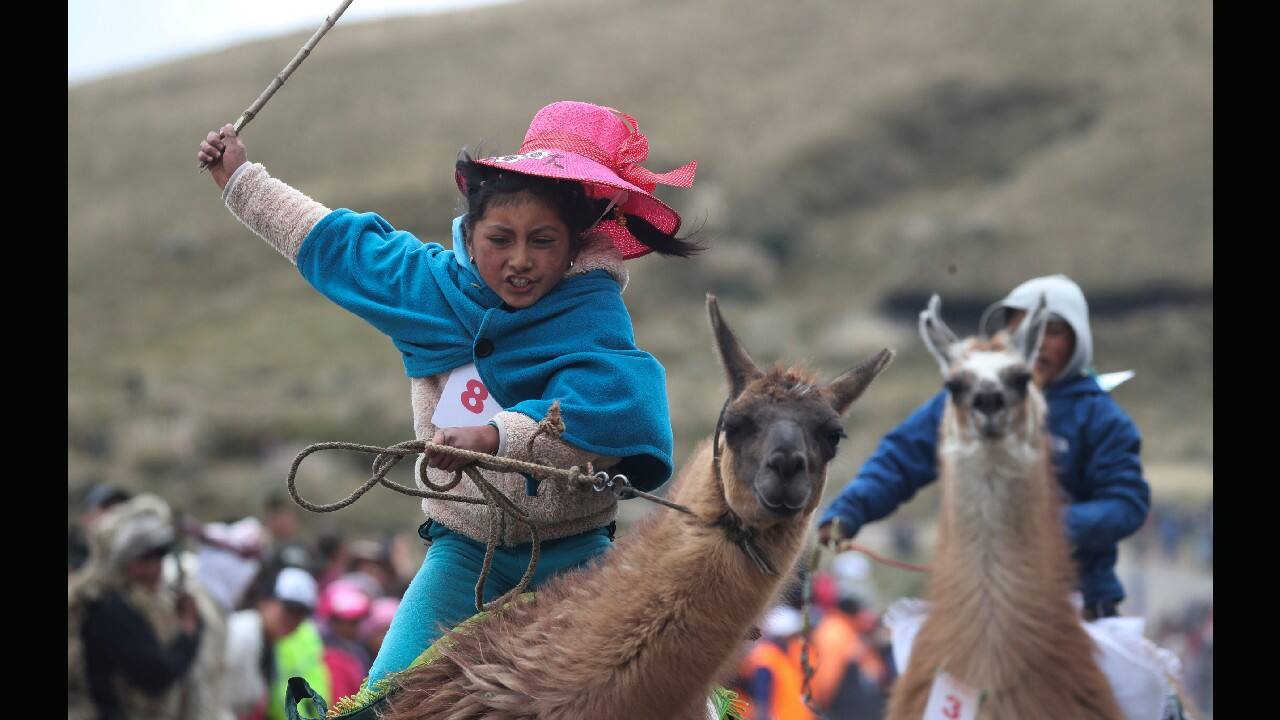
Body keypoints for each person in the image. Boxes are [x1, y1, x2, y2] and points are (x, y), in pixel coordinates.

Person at [197, 100, 696, 688]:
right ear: (470, 233)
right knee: (384, 700)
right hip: (462, 556)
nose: (520, 260)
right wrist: (240, 179)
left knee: (656, 695)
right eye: (500, 238)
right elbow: (334, 244)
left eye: (542, 240)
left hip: (576, 554)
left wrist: (493, 436)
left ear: (571, 245)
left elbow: (611, 411)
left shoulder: (591, 313)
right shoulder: (427, 290)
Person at [820, 274, 1151, 620]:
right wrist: (849, 511)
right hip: (981, 597)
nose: (1036, 344)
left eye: (1049, 332)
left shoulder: (1100, 417)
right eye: (1018, 331)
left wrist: (1046, 522)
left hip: (1080, 603)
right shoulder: (970, 399)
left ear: (1077, 339)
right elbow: (902, 458)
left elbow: (1126, 504)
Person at [69, 493, 227, 720]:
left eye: (159, 558)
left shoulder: (148, 604)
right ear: (124, 562)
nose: (155, 568)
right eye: (145, 559)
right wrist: (189, 628)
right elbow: (156, 674)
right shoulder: (110, 609)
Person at [224, 567, 330, 720]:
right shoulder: (241, 632)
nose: (293, 619)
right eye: (288, 610)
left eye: (300, 614)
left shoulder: (270, 642)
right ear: (265, 602)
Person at [738, 606, 814, 720]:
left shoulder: (775, 657)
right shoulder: (770, 657)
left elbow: (763, 704)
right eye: (792, 636)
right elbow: (762, 701)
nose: (796, 640)